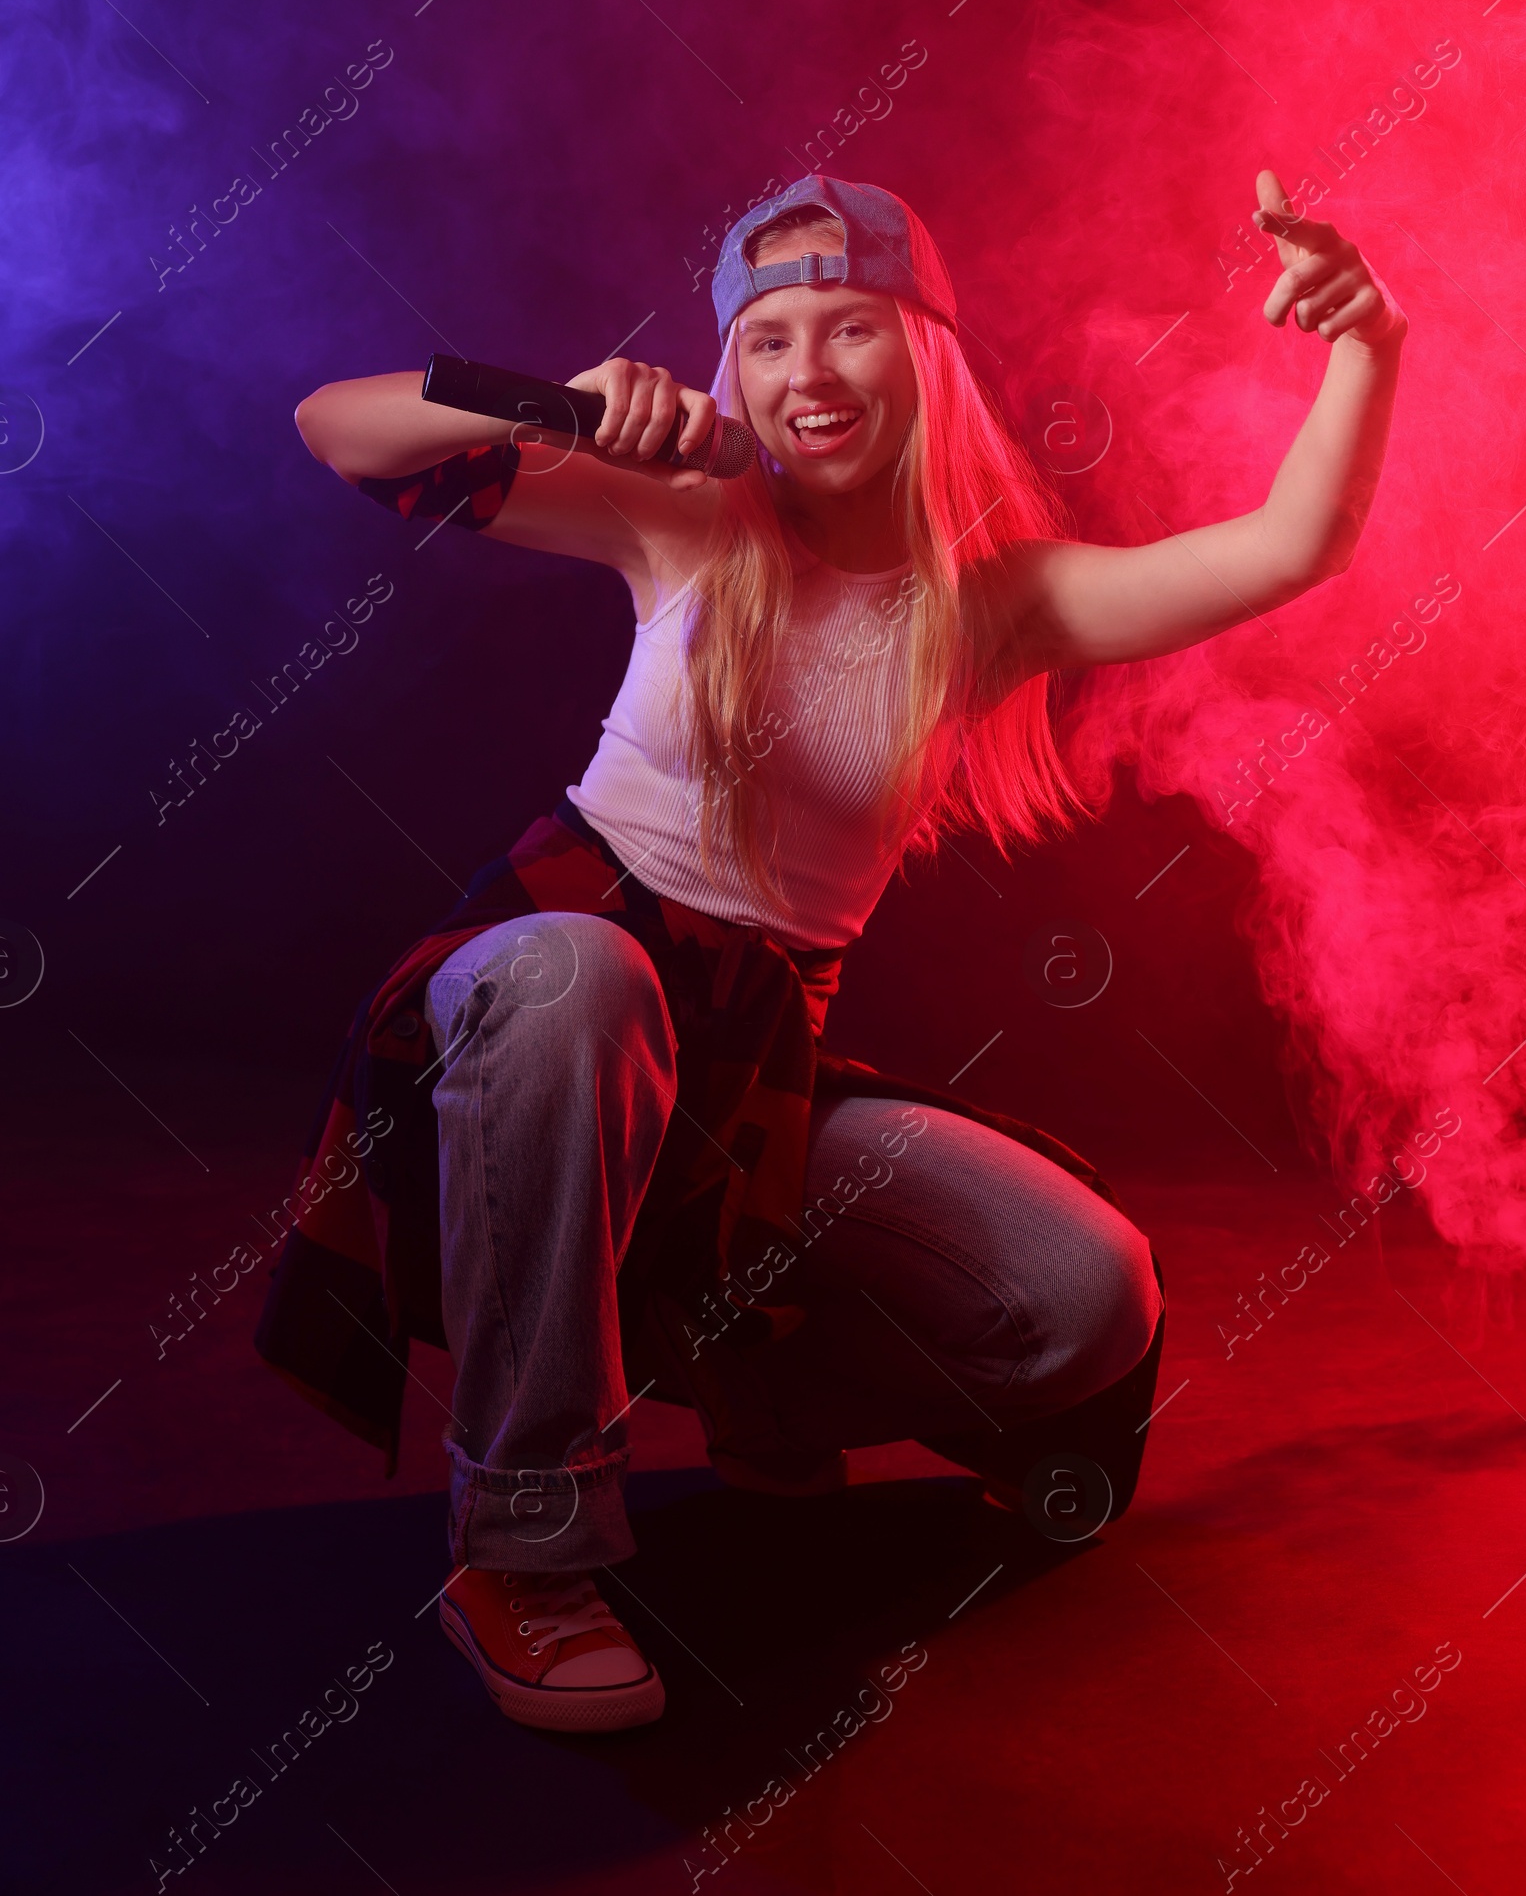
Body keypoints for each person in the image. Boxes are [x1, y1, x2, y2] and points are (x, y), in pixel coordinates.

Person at [262, 170, 1405, 1735]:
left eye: (850, 328)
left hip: (753, 1075)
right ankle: (518, 1548)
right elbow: (339, 426)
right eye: (774, 337)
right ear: (735, 372)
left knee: (1088, 1293)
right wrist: (556, 405)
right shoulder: (680, 514)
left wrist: (1366, 344)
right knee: (576, 981)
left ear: (920, 354)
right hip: (537, 1001)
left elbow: (1292, 547)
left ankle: (760, 1391)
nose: (810, 372)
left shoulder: (991, 605)